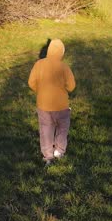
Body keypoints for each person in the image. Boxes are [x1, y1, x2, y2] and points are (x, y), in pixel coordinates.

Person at [28, 39, 76, 167]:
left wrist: (40, 91)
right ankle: (59, 151)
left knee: (45, 130)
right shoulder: (64, 67)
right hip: (61, 105)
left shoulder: (39, 64)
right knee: (62, 127)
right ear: (61, 53)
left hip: (43, 105)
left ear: (49, 50)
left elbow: (31, 82)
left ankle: (48, 156)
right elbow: (71, 86)